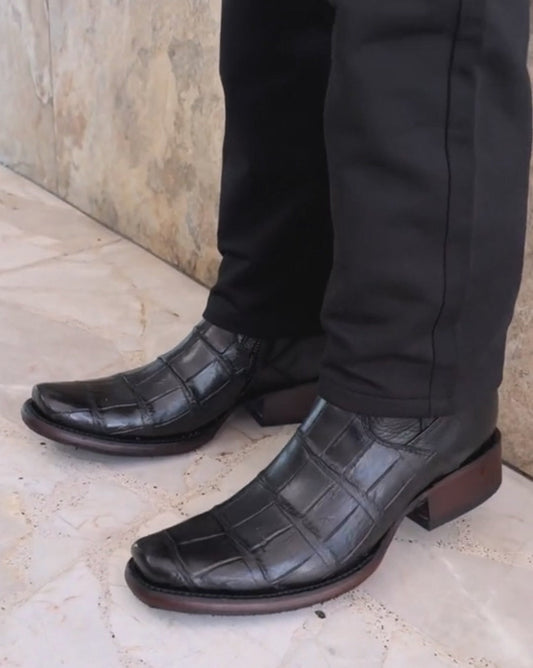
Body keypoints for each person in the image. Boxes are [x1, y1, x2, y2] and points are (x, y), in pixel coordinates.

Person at [21, 0, 531, 615]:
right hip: (276, 308)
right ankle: (280, 317)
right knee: (282, 17)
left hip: (414, 381)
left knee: (419, 18)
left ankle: (411, 391)